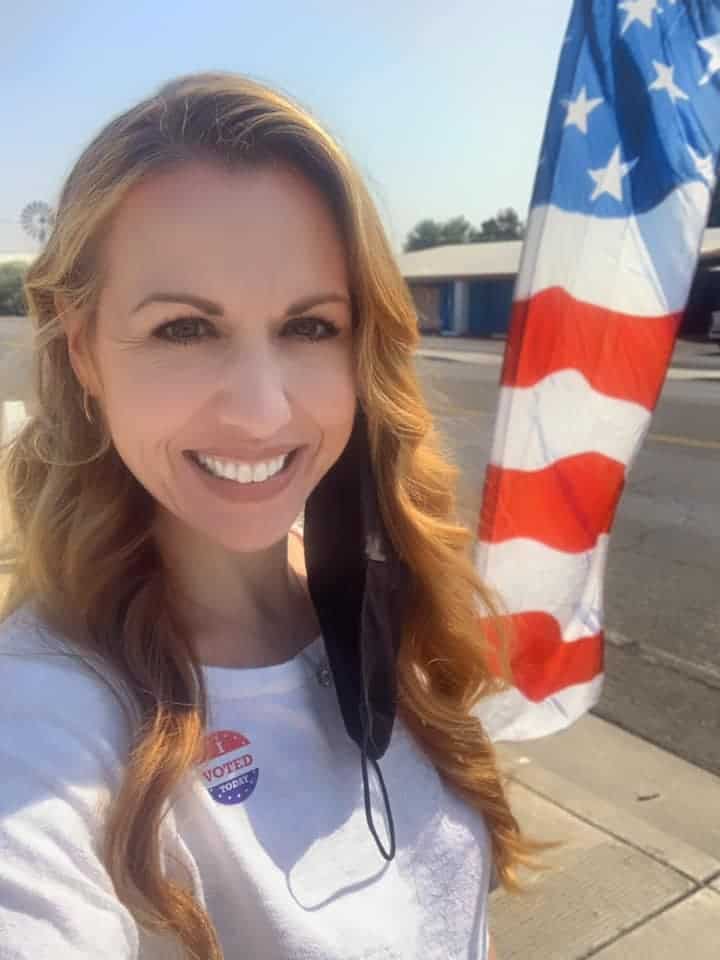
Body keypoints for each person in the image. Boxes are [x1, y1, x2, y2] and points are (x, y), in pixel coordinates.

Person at [0, 72, 552, 959]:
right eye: (184, 328)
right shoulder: (41, 720)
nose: (262, 413)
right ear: (85, 355)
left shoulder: (377, 586)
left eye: (310, 327)